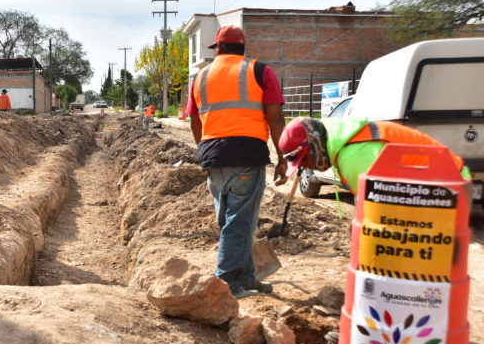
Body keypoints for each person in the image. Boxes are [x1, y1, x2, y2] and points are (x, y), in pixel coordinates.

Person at [187, 25, 287, 299]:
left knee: (232, 222)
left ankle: (246, 277)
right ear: (243, 48)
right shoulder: (260, 71)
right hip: (246, 155)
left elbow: (194, 120)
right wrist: (282, 156)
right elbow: (276, 118)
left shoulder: (200, 77)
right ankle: (226, 284)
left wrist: (204, 150)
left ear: (217, 48)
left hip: (212, 155)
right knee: (239, 223)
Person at [280, 116, 469, 196]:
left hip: (447, 187)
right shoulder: (350, 141)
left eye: (304, 159)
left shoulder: (354, 156)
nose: (308, 167)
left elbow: (384, 211)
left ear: (315, 143)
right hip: (443, 183)